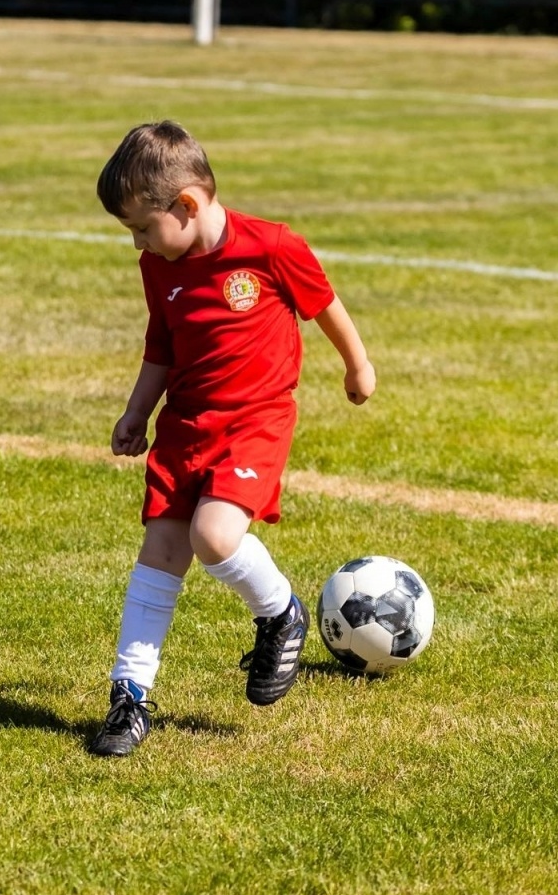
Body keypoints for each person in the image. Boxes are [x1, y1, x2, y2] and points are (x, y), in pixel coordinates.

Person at [86, 120, 376, 758]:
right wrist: (137, 412)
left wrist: (357, 365)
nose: (137, 242)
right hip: (184, 425)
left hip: (254, 421)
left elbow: (323, 302)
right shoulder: (158, 265)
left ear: (187, 205)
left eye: (142, 227)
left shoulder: (271, 246)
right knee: (161, 551)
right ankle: (129, 698)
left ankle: (280, 612)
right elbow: (161, 345)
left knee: (214, 537)